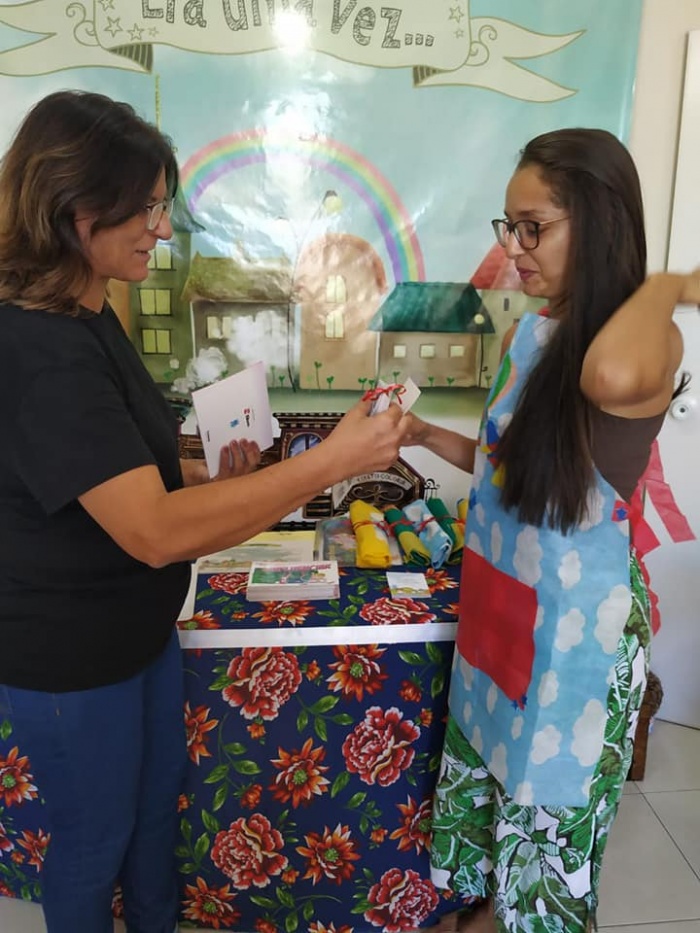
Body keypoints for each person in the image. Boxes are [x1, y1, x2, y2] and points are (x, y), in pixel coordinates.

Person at [0, 90, 403, 933]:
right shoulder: (38, 348)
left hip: (136, 634)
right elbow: (152, 532)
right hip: (73, 658)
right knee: (92, 844)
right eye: (146, 208)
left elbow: (115, 476)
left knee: (154, 817)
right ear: (76, 208)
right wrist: (332, 461)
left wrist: (204, 474)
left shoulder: (90, 312)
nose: (160, 229)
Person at [398, 128, 698, 933]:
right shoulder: (527, 334)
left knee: (544, 849)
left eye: (534, 228)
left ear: (599, 221)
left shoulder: (645, 343)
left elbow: (607, 372)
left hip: (573, 654)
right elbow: (507, 470)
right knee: (496, 810)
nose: (514, 249)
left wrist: (666, 281)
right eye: (510, 226)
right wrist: (422, 434)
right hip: (500, 626)